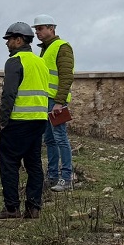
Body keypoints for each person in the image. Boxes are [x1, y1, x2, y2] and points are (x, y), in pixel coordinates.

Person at [0, 21, 50, 220]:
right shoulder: (40, 62)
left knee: (8, 163)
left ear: (19, 40)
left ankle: (11, 208)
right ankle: (34, 209)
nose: (7, 43)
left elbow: (9, 94)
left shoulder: (15, 61)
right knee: (34, 164)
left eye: (9, 39)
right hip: (39, 120)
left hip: (18, 121)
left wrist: (2, 121)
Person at [33, 14, 75, 191]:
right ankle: (52, 177)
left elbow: (66, 77)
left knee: (60, 138)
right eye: (36, 30)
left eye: (40, 29)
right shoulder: (46, 49)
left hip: (56, 102)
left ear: (52, 28)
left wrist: (59, 102)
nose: (37, 32)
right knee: (49, 139)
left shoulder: (62, 47)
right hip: (46, 101)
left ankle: (66, 178)